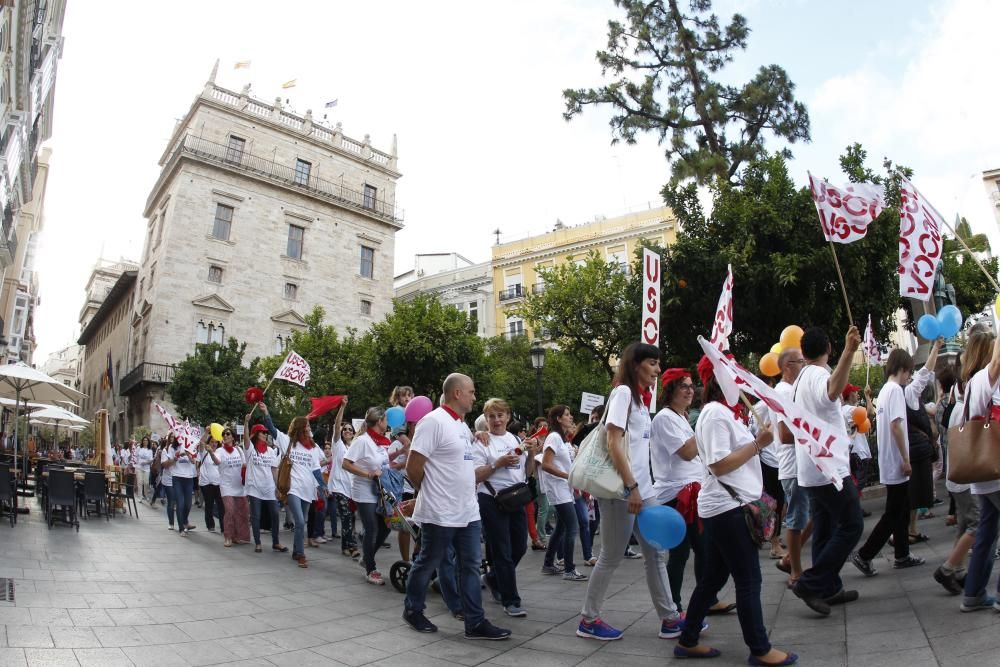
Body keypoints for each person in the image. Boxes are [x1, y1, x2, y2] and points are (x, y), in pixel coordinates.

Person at [673, 354, 796, 666]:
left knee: (713, 579)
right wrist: (758, 444)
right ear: (718, 379)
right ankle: (760, 649)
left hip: (725, 508)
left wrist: (757, 441)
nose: (741, 379)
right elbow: (717, 464)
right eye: (735, 373)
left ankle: (688, 639)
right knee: (749, 579)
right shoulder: (714, 414)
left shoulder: (725, 414)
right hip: (727, 510)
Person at [578, 342, 681, 642]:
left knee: (655, 554)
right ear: (635, 365)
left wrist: (641, 487)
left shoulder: (639, 399)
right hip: (622, 491)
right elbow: (613, 443)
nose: (658, 370)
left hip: (641, 490)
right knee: (610, 556)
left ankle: (670, 618)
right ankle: (588, 619)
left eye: (658, 364)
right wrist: (632, 487)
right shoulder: (623, 393)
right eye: (652, 363)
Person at [402, 373, 511, 641]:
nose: (475, 396)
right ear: (457, 394)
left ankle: (475, 622)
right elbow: (413, 467)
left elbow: (460, 466)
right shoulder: (433, 422)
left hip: (468, 511)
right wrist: (428, 494)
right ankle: (413, 610)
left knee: (471, 566)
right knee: (428, 562)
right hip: (441, 512)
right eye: (472, 392)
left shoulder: (461, 426)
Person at [788, 326, 863, 617]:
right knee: (851, 524)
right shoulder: (818, 375)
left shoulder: (799, 380)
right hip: (828, 468)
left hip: (812, 468)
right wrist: (850, 351)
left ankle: (828, 588)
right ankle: (811, 583)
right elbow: (832, 391)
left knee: (825, 528)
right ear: (828, 348)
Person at [652, 368, 734, 615]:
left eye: (691, 386)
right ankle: (674, 607)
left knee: (703, 549)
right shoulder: (664, 418)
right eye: (683, 386)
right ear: (670, 391)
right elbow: (687, 452)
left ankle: (705, 599)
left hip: (690, 492)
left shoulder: (680, 416)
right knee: (681, 554)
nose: (690, 390)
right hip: (676, 495)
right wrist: (705, 430)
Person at [851, 345, 934, 578]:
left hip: (889, 459)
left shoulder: (885, 390)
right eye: (908, 372)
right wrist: (906, 459)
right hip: (897, 459)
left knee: (902, 507)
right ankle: (865, 554)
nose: (909, 377)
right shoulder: (896, 391)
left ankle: (901, 554)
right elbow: (896, 426)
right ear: (903, 368)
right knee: (893, 512)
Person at [473, 398, 538, 617]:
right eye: (492, 416)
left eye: (500, 415)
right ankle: (511, 600)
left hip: (515, 498)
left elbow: (527, 473)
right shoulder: (482, 441)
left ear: (508, 417)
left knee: (519, 547)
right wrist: (497, 464)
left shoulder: (514, 439)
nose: (496, 420)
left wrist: (530, 454)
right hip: (491, 499)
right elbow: (475, 475)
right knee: (502, 551)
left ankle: (492, 578)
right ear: (486, 419)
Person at [951, 331, 1000, 611]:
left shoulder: (972, 382)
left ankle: (973, 594)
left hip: (984, 472)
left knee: (987, 531)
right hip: (994, 468)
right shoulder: (987, 378)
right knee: (987, 531)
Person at [934, 363, 978, 594]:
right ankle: (948, 568)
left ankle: (958, 570)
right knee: (977, 524)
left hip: (957, 478)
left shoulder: (954, 407)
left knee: (965, 523)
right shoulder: (963, 409)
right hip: (964, 478)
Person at [772, 347, 812, 589]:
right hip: (793, 465)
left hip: (801, 464)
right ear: (787, 366)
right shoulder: (784, 391)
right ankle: (795, 572)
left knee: (814, 515)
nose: (804, 365)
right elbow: (786, 434)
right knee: (797, 518)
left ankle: (790, 559)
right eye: (800, 361)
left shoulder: (791, 389)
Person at [343, 407, 392, 584]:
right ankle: (370, 569)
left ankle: (367, 557)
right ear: (380, 422)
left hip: (379, 491)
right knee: (372, 528)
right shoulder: (363, 441)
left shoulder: (381, 442)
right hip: (364, 491)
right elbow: (346, 464)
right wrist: (368, 474)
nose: (388, 423)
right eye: (386, 420)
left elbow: (383, 463)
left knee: (385, 527)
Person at [541, 405, 587, 582]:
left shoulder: (563, 439)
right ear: (558, 419)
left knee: (561, 527)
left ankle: (548, 564)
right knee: (572, 527)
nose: (570, 417)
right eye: (567, 415)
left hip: (564, 488)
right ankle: (569, 569)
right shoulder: (553, 437)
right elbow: (546, 464)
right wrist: (568, 475)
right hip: (558, 488)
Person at [243, 404, 287, 554]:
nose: (265, 434)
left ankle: (276, 542)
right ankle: (258, 543)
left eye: (265, 432)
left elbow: (274, 470)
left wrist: (278, 487)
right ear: (256, 434)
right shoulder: (250, 450)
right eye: (262, 432)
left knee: (275, 514)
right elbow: (246, 439)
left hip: (269, 488)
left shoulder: (270, 451)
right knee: (256, 516)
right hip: (254, 488)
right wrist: (246, 423)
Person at [285, 416, 325, 568]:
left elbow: (316, 469)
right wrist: (266, 413)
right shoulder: (290, 443)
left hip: (308, 490)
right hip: (293, 488)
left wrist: (323, 485)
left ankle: (296, 551)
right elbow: (274, 432)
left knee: (302, 523)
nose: (309, 428)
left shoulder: (313, 448)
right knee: (300, 521)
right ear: (301, 428)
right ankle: (301, 554)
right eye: (307, 425)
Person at [216, 426, 250, 547]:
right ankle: (228, 536)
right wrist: (210, 452)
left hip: (239, 486)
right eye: (224, 434)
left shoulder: (239, 450)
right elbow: (217, 461)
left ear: (233, 437)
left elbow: (245, 465)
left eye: (228, 434)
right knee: (230, 510)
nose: (225, 436)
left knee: (241, 511)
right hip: (226, 486)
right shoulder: (220, 451)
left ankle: (238, 536)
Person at [330, 416, 359, 558]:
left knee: (350, 518)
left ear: (353, 433)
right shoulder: (338, 445)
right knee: (346, 516)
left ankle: (344, 546)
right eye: (345, 429)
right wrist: (342, 407)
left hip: (351, 489)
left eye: (350, 429)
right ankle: (353, 546)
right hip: (338, 487)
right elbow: (336, 425)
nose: (347, 431)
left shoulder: (355, 448)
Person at [171, 432, 199, 536]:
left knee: (188, 504)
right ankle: (181, 528)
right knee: (180, 503)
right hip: (177, 477)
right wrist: (177, 456)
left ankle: (185, 521)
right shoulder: (172, 447)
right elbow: (170, 463)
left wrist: (188, 453)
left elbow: (193, 462)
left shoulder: (192, 447)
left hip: (189, 478)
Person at [198, 436, 224, 533]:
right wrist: (206, 432)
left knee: (221, 505)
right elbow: (201, 443)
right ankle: (210, 525)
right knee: (209, 504)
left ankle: (223, 526)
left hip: (218, 483)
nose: (214, 444)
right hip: (206, 483)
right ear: (208, 443)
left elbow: (218, 463)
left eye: (216, 442)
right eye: (212, 442)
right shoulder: (204, 452)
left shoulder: (220, 452)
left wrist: (212, 453)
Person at [159, 435, 177, 529]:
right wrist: (174, 459)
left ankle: (184, 522)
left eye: (175, 438)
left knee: (181, 502)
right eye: (171, 437)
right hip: (169, 479)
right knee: (171, 501)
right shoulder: (165, 451)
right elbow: (165, 465)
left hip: (179, 478)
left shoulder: (181, 449)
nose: (172, 439)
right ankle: (171, 523)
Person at [136, 437, 153, 502]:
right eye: (144, 440)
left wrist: (146, 462)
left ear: (148, 442)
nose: (145, 441)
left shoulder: (150, 450)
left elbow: (151, 460)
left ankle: (146, 495)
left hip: (146, 468)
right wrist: (137, 464)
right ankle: (140, 497)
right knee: (140, 482)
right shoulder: (139, 448)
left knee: (146, 483)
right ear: (142, 441)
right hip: (139, 468)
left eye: (146, 440)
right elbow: (136, 457)